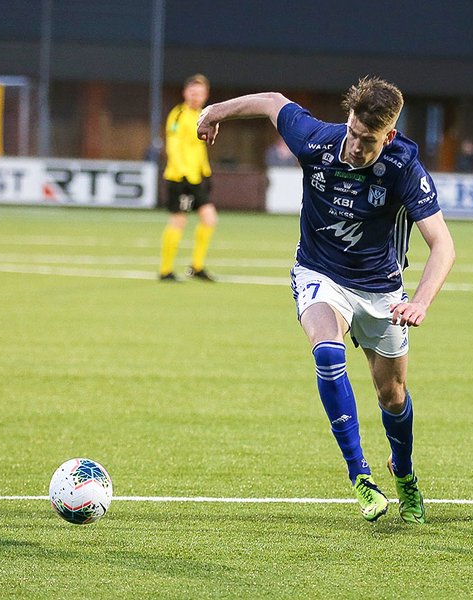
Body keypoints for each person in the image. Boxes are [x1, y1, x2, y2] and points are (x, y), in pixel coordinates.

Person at [196, 76, 455, 524]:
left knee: (392, 396)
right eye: (352, 132)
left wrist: (421, 301)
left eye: (367, 140)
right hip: (320, 274)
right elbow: (272, 101)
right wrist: (213, 112)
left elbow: (443, 246)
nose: (354, 147)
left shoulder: (403, 167)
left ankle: (404, 471)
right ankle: (360, 476)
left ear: (388, 136)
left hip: (380, 290)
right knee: (328, 352)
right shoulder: (317, 140)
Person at [158, 73, 218, 282]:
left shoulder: (202, 115)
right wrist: (182, 172)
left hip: (197, 178)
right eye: (192, 92)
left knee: (209, 218)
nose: (195, 96)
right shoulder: (178, 115)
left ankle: (196, 267)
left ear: (205, 95)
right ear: (185, 93)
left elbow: (199, 148)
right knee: (178, 221)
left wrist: (205, 171)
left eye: (200, 93)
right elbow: (173, 146)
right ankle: (165, 270)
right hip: (180, 178)